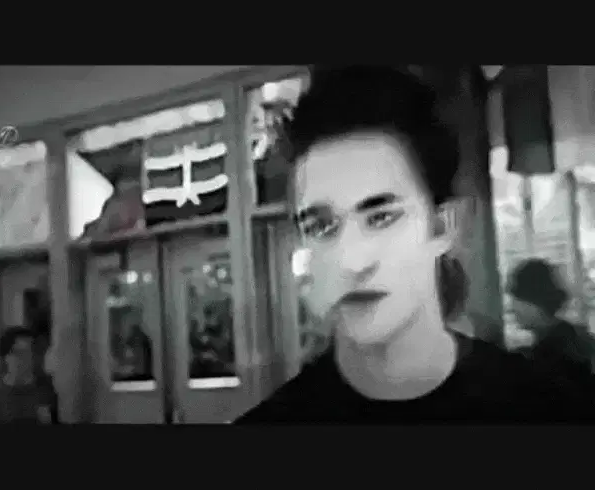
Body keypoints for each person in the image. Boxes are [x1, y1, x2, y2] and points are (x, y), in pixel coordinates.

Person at [235, 65, 595, 423]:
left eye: (381, 217)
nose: (351, 260)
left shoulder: (550, 410)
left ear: (443, 226)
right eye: (321, 225)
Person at [507, 258, 595, 386]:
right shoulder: (577, 339)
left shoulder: (554, 354)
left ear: (535, 301)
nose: (512, 308)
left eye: (517, 298)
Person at [0, 327, 58, 424]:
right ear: (6, 357)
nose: (28, 359)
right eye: (21, 353)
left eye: (31, 352)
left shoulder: (46, 393)